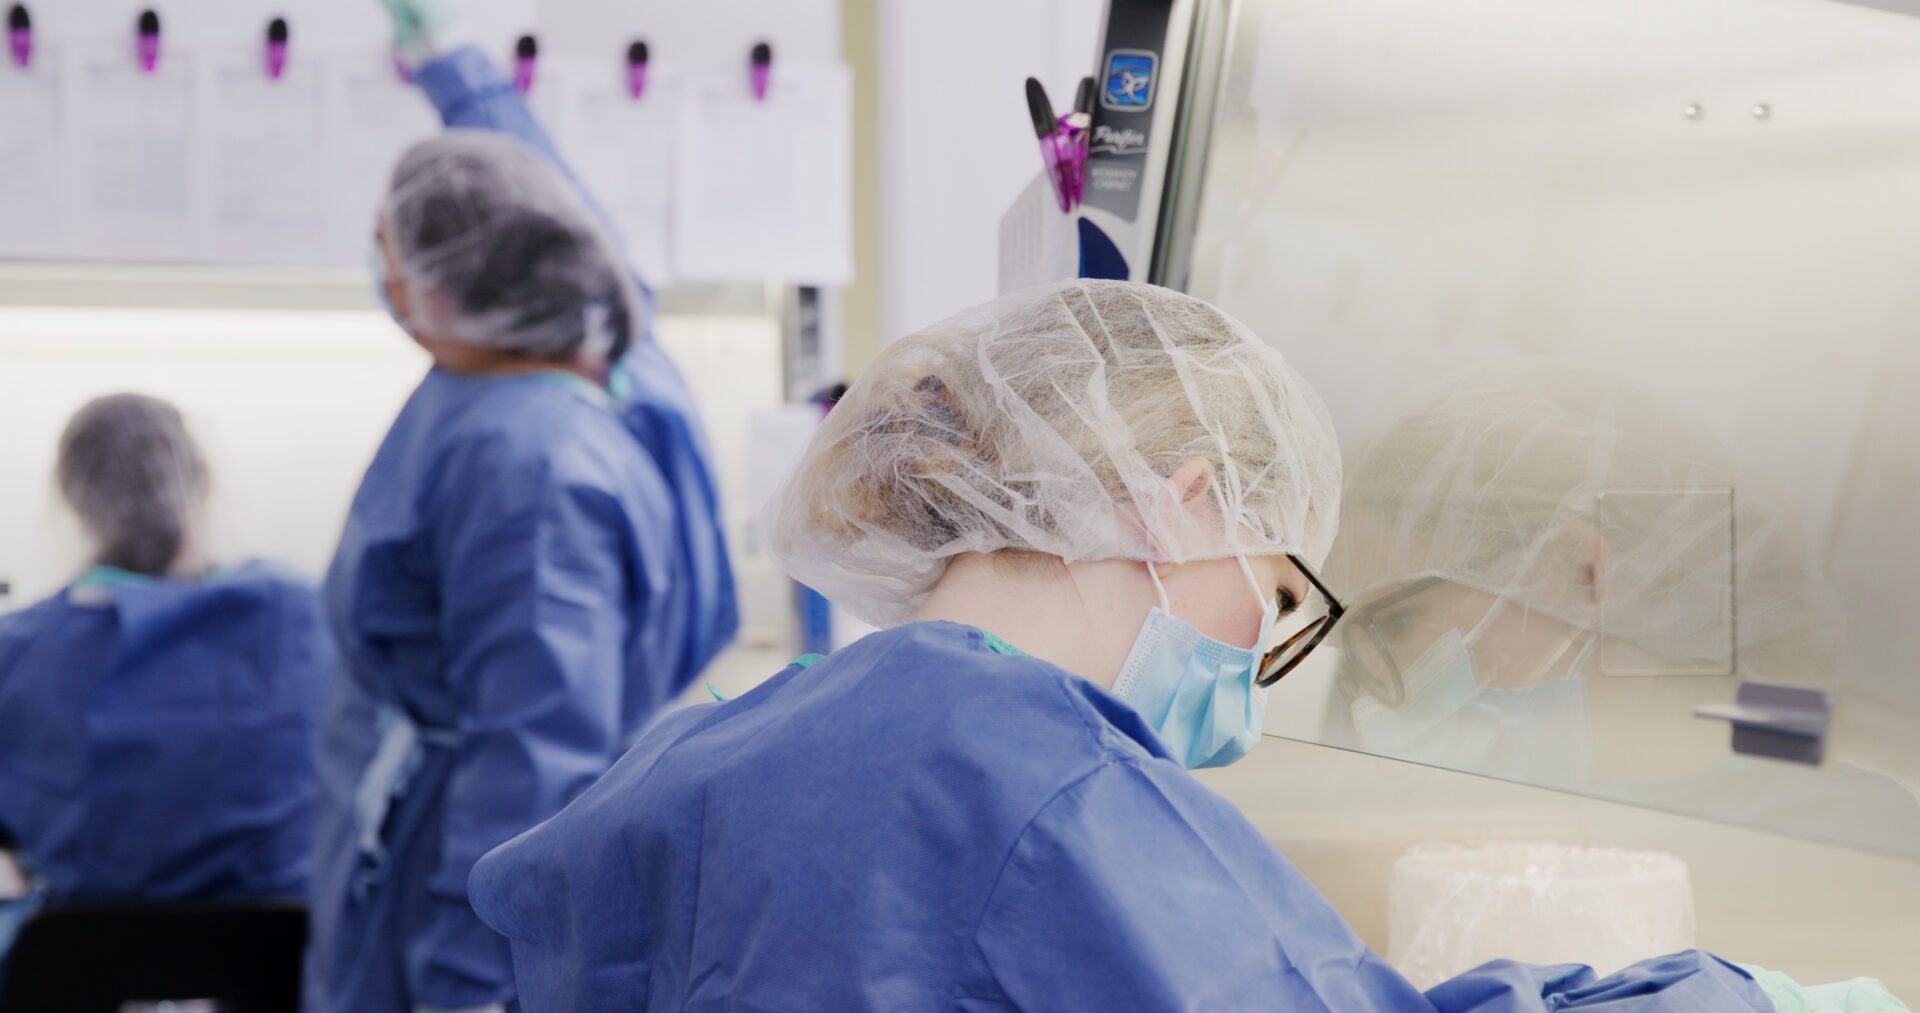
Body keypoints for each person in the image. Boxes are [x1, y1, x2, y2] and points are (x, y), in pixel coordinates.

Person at [465, 281, 1776, 1011]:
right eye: (1279, 589)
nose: (1260, 653)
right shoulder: (1040, 786)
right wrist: (1720, 997)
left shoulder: (718, 748)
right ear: (1186, 501)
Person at [302, 6, 738, 1012]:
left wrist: (474, 990)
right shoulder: (614, 362)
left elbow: (530, 773)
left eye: (392, 249)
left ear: (455, 287)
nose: (386, 274)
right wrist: (453, 70)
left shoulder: (528, 471)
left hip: (457, 899)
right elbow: (547, 205)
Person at [1325, 359, 1920, 857]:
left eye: (1396, 623)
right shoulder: (1524, 831)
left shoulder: (1839, 846)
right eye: (1349, 644)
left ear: (1583, 572)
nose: (1369, 695)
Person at [0, 394, 329, 918]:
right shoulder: (295, 615)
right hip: (282, 954)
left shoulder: (20, 651)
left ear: (73, 499)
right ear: (204, 482)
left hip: (81, 957)